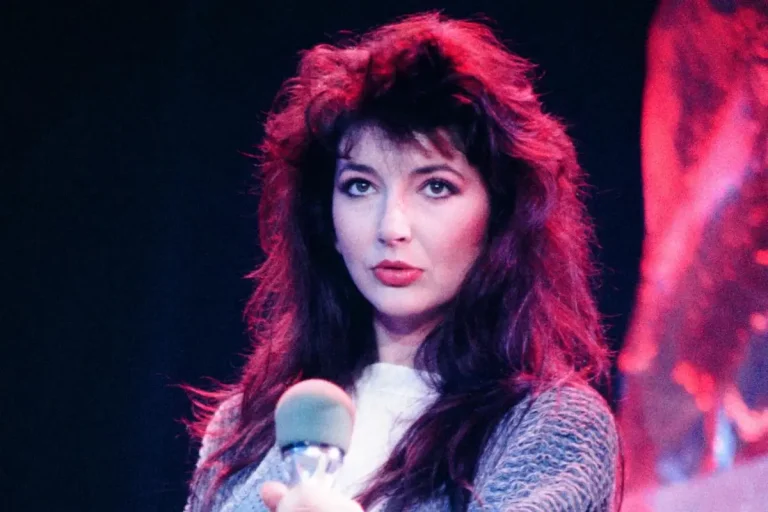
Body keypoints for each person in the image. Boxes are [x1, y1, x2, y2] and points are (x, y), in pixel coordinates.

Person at [183, 12, 620, 512]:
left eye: (436, 187)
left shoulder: (552, 425)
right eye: (360, 186)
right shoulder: (246, 424)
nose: (391, 227)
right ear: (325, 215)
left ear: (499, 215)